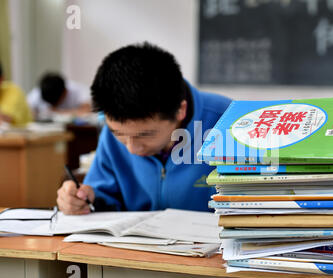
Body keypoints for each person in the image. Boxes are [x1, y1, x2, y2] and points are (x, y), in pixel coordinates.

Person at [56, 42, 232, 215]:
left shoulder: (230, 122)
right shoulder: (114, 131)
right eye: (119, 134)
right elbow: (102, 192)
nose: (132, 148)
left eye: (145, 135)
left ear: (180, 110)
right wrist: (85, 198)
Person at [27, 72, 92, 121]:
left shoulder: (77, 89)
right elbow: (28, 112)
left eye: (56, 102)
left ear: (65, 92)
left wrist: (58, 112)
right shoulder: (37, 93)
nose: (53, 106)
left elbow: (87, 110)